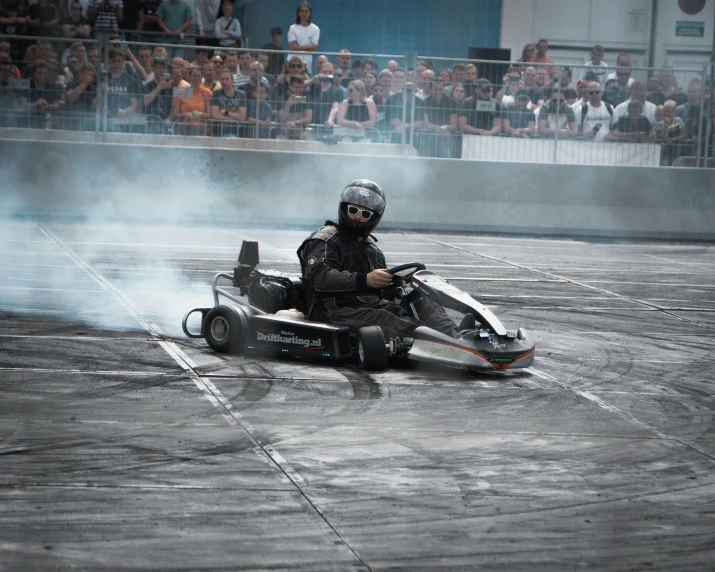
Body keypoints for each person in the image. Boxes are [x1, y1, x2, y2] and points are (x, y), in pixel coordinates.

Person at [298, 180, 474, 340]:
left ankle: (456, 336)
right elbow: (320, 278)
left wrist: (398, 285)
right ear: (344, 209)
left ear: (374, 218)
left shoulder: (373, 251)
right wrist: (366, 280)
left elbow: (383, 291)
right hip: (339, 308)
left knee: (421, 300)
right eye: (353, 211)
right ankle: (445, 343)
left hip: (373, 305)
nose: (358, 217)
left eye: (365, 214)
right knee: (390, 317)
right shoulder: (326, 239)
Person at [171, 65, 212, 135]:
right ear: (189, 77)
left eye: (198, 76)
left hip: (198, 127)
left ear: (202, 77)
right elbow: (174, 114)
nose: (196, 78)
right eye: (194, 75)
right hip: (182, 126)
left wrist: (200, 114)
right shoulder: (181, 91)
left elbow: (209, 114)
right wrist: (186, 114)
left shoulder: (206, 92)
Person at [209, 67, 245, 136]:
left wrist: (226, 112)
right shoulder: (216, 93)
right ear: (219, 81)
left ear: (232, 80)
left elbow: (242, 117)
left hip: (234, 133)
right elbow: (214, 114)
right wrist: (233, 119)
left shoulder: (241, 95)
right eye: (222, 79)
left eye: (227, 79)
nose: (224, 81)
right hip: (217, 132)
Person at [142, 56, 173, 131]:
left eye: (164, 68)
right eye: (159, 68)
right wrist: (159, 87)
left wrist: (169, 118)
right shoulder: (148, 85)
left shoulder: (171, 88)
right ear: (154, 69)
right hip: (150, 124)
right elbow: (145, 101)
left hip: (166, 125)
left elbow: (175, 106)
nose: (162, 71)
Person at [288, 1, 319, 74]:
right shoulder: (292, 28)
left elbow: (313, 47)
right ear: (298, 13)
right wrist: (308, 47)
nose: (304, 13)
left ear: (310, 13)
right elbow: (292, 47)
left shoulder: (315, 29)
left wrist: (298, 47)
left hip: (307, 63)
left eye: (306, 11)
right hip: (292, 62)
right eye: (302, 11)